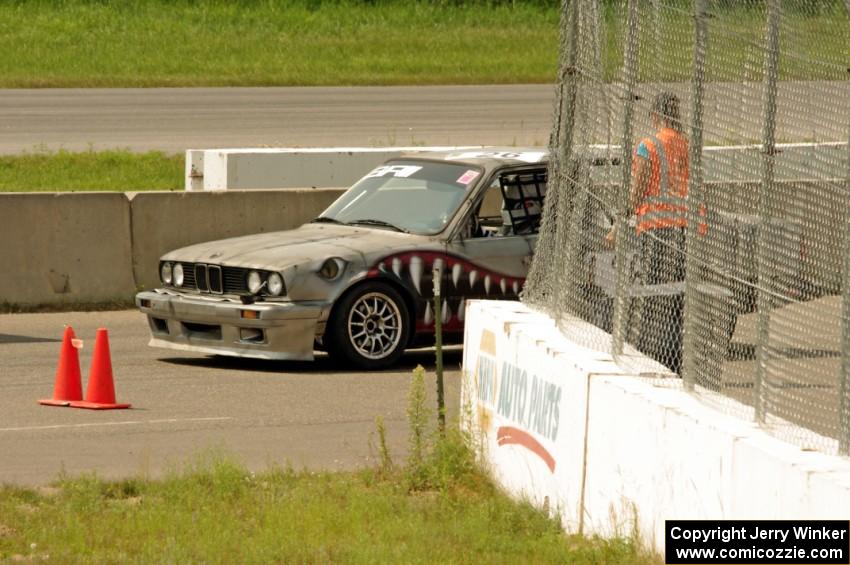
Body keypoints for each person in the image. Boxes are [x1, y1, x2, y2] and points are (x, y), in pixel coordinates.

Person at [610, 91, 696, 374]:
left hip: (656, 230)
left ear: (655, 115)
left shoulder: (647, 146)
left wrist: (621, 219)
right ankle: (677, 355)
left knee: (653, 290)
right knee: (677, 294)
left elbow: (638, 190)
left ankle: (653, 353)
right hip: (683, 228)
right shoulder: (685, 144)